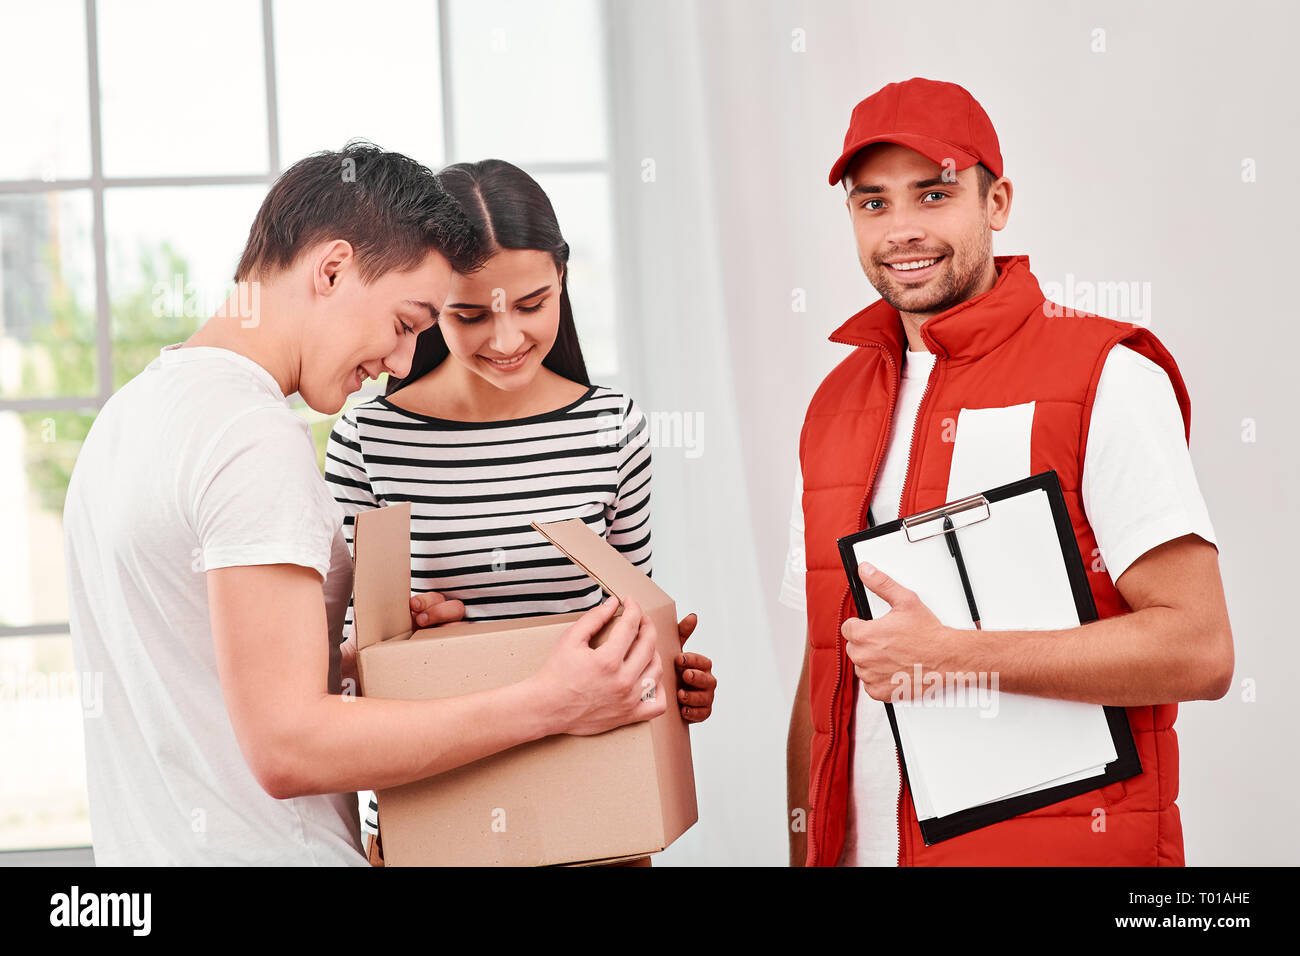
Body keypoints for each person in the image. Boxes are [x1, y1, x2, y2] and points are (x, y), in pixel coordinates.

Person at [63, 142, 668, 866]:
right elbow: (288, 747)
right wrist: (549, 702)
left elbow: (199, 679)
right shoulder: (252, 437)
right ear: (332, 269)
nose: (403, 360)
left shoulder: (126, 420)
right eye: (408, 322)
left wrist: (355, 662)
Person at [783, 78, 1234, 866]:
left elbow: (1199, 650)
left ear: (997, 202)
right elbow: (824, 668)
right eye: (873, 203)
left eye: (934, 193)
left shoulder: (1107, 373)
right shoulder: (835, 402)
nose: (902, 231)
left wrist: (953, 656)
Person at [324, 159, 716, 863]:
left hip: (599, 820)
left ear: (562, 276)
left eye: (531, 304)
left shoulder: (611, 427)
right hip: (438, 821)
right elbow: (342, 679)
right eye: (470, 314)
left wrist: (671, 675)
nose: (505, 342)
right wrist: (405, 636)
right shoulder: (368, 438)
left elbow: (629, 626)